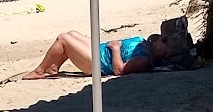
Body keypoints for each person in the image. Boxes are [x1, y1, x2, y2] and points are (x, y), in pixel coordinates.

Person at [23, 29, 186, 80]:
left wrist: (115, 49)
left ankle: (39, 71)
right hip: (99, 50)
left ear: (165, 54)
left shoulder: (144, 59)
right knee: (71, 33)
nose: (162, 39)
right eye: (164, 38)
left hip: (97, 63)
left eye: (165, 42)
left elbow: (120, 70)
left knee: (63, 39)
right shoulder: (147, 46)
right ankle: (53, 67)